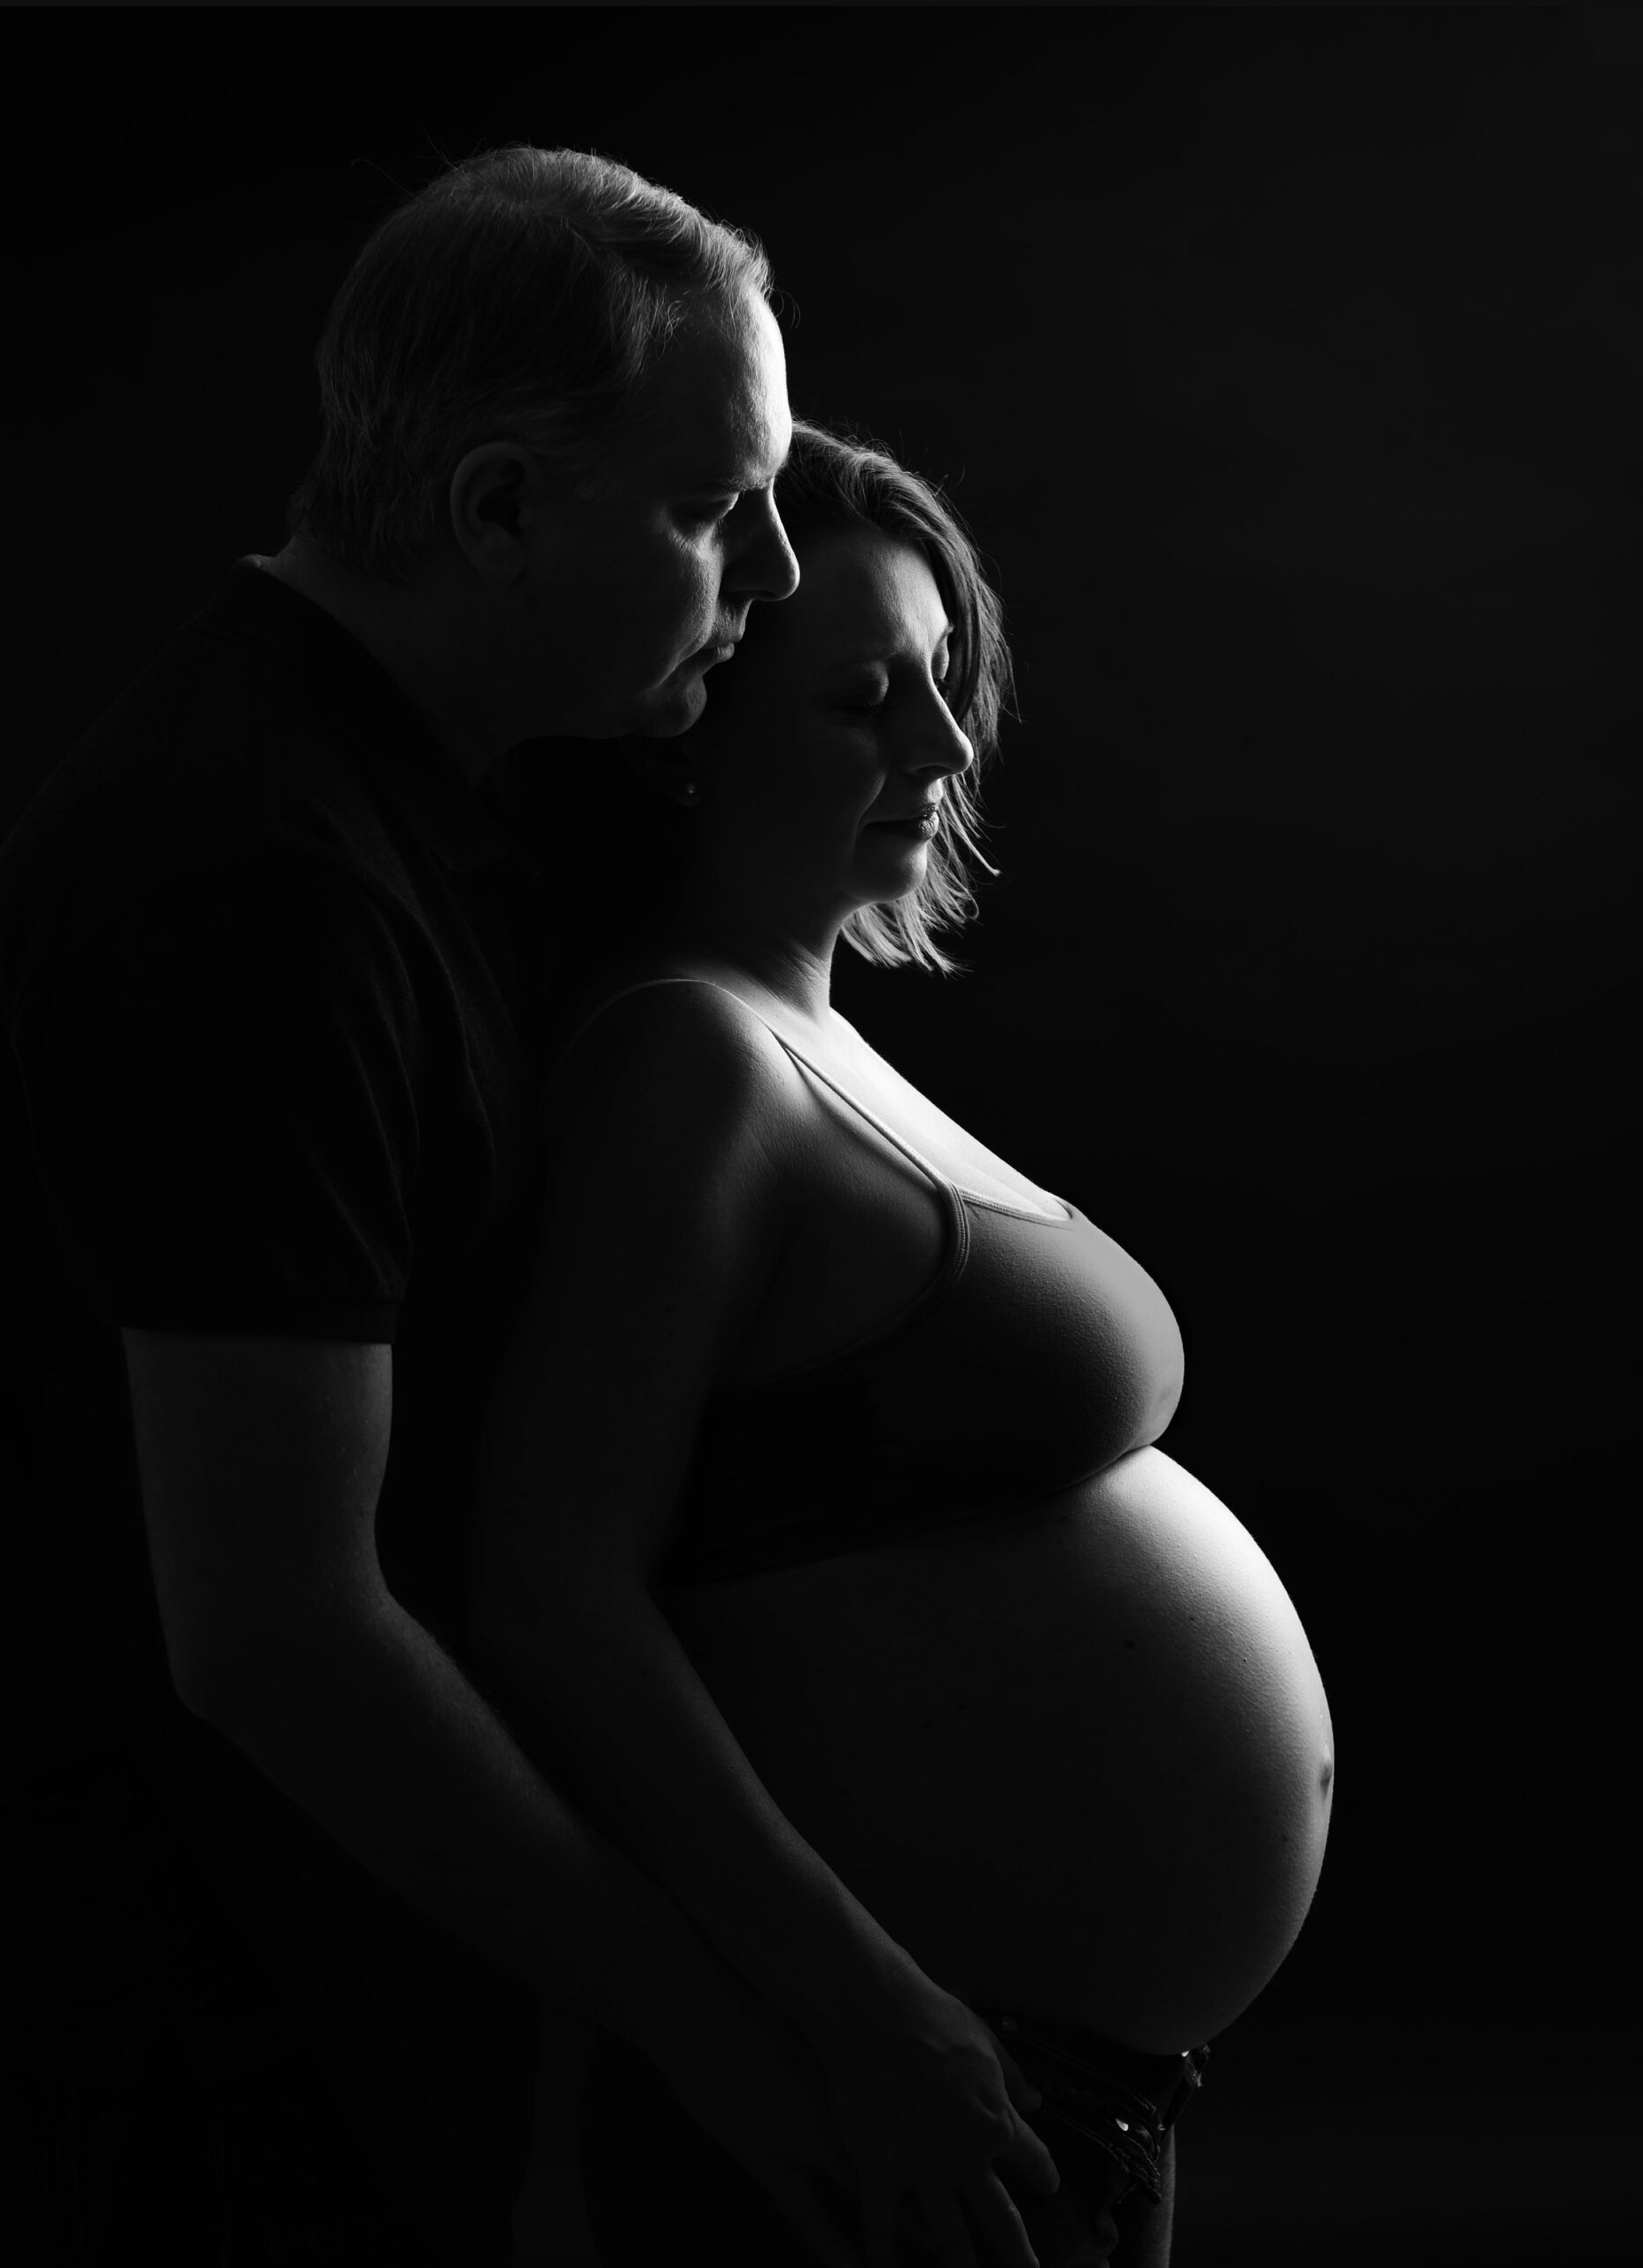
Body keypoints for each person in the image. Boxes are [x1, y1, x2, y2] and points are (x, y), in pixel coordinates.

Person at [0, 143, 906, 2267]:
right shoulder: (261, 882)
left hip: (262, 1962)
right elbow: (281, 1634)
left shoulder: (428, 787)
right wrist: (737, 2024)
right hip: (150, 2006)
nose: (773, 570)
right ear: (497, 510)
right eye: (713, 510)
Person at [465, 419, 1339, 2268]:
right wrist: (868, 2005)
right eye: (863, 697)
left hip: (1041, 2083)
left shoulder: (813, 1036)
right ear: (687, 727)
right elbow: (545, 1583)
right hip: (889, 2078)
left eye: (946, 683)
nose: (941, 749)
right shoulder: (686, 1060)